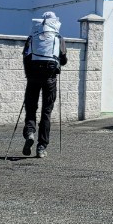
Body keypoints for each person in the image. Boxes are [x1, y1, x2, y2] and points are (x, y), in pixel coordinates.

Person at [22, 11, 67, 158]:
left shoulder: (32, 37)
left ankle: (30, 133)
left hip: (33, 78)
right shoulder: (58, 38)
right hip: (50, 79)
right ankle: (41, 147)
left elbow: (26, 57)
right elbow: (64, 60)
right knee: (46, 112)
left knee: (30, 108)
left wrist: (29, 75)